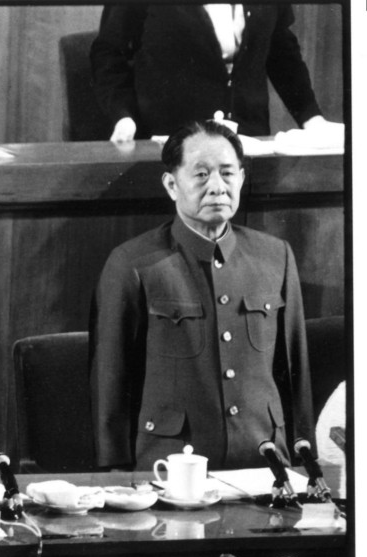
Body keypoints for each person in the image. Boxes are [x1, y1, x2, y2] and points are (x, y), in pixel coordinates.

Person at [89, 120, 327, 496]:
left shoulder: (275, 257)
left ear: (242, 178)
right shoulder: (133, 264)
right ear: (171, 184)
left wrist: (304, 462)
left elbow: (294, 372)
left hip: (265, 469)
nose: (217, 186)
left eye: (227, 173)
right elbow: (111, 386)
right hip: (168, 473)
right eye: (200, 174)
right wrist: (117, 481)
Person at [90, 4, 334, 142]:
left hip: (248, 143)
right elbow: (109, 53)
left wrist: (311, 118)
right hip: (170, 143)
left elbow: (281, 52)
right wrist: (123, 116)